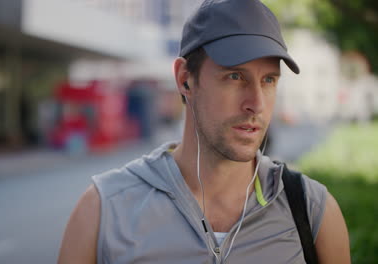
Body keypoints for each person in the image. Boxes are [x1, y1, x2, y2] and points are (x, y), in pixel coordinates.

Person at [57, 0, 350, 263]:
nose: (256, 104)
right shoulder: (103, 210)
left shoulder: (312, 211)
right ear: (185, 80)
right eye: (235, 76)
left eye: (269, 80)